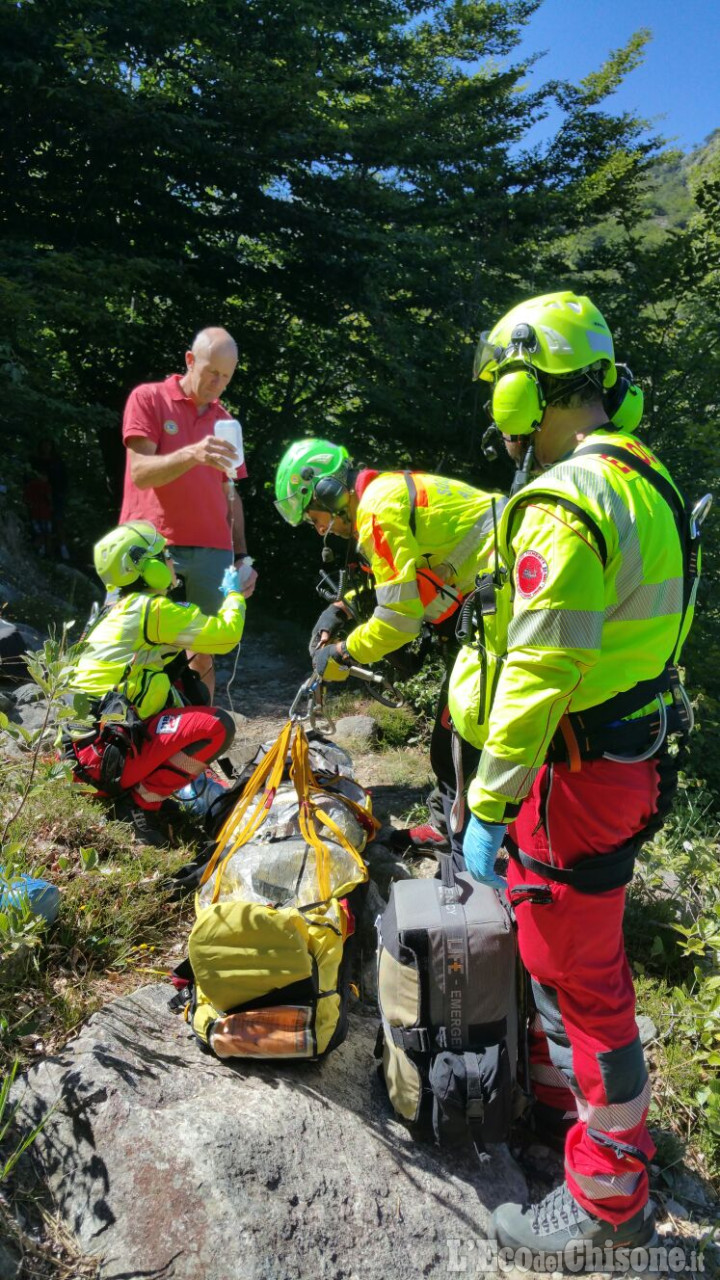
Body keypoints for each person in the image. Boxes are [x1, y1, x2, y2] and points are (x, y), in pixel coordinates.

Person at [448, 291, 701, 1262]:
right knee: (576, 966)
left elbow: (540, 672)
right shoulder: (647, 481)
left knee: (582, 980)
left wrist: (488, 802)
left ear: (528, 385)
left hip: (573, 775)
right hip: (626, 762)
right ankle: (565, 1101)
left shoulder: (563, 502)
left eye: (501, 384)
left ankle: (606, 1200)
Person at [274, 439, 504, 845]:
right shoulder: (380, 497)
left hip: (500, 599)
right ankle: (459, 821)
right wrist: (340, 611)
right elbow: (394, 581)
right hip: (487, 595)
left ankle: (459, 832)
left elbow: (398, 620)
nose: (320, 529)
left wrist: (344, 653)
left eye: (315, 517)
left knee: (459, 722)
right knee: (459, 721)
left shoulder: (378, 511)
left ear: (328, 492)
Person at [67, 521, 253, 846]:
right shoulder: (150, 609)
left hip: (82, 759)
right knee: (218, 726)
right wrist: (234, 594)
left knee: (182, 682)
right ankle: (141, 803)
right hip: (104, 763)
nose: (172, 561)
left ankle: (142, 786)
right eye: (165, 555)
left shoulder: (116, 611)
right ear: (149, 567)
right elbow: (225, 636)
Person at [119, 327, 257, 699]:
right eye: (213, 371)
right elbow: (140, 472)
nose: (218, 383)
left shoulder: (226, 422)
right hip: (152, 548)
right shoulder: (148, 398)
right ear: (190, 360)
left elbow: (232, 493)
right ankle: (131, 745)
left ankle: (196, 749)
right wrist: (193, 454)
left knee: (204, 655)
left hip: (213, 554)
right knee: (137, 649)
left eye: (227, 376)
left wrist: (243, 557)